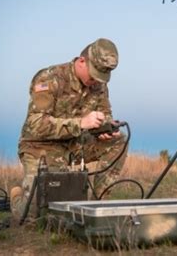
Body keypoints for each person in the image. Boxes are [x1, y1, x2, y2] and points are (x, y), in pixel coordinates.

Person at [10, 38, 127, 220]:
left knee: (119, 140)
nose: (96, 81)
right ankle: (18, 198)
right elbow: (36, 124)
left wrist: (105, 129)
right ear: (81, 61)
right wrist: (80, 123)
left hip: (76, 145)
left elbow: (105, 112)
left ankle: (101, 206)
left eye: (101, 77)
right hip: (41, 147)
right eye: (93, 75)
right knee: (38, 216)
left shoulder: (99, 84)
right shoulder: (49, 78)